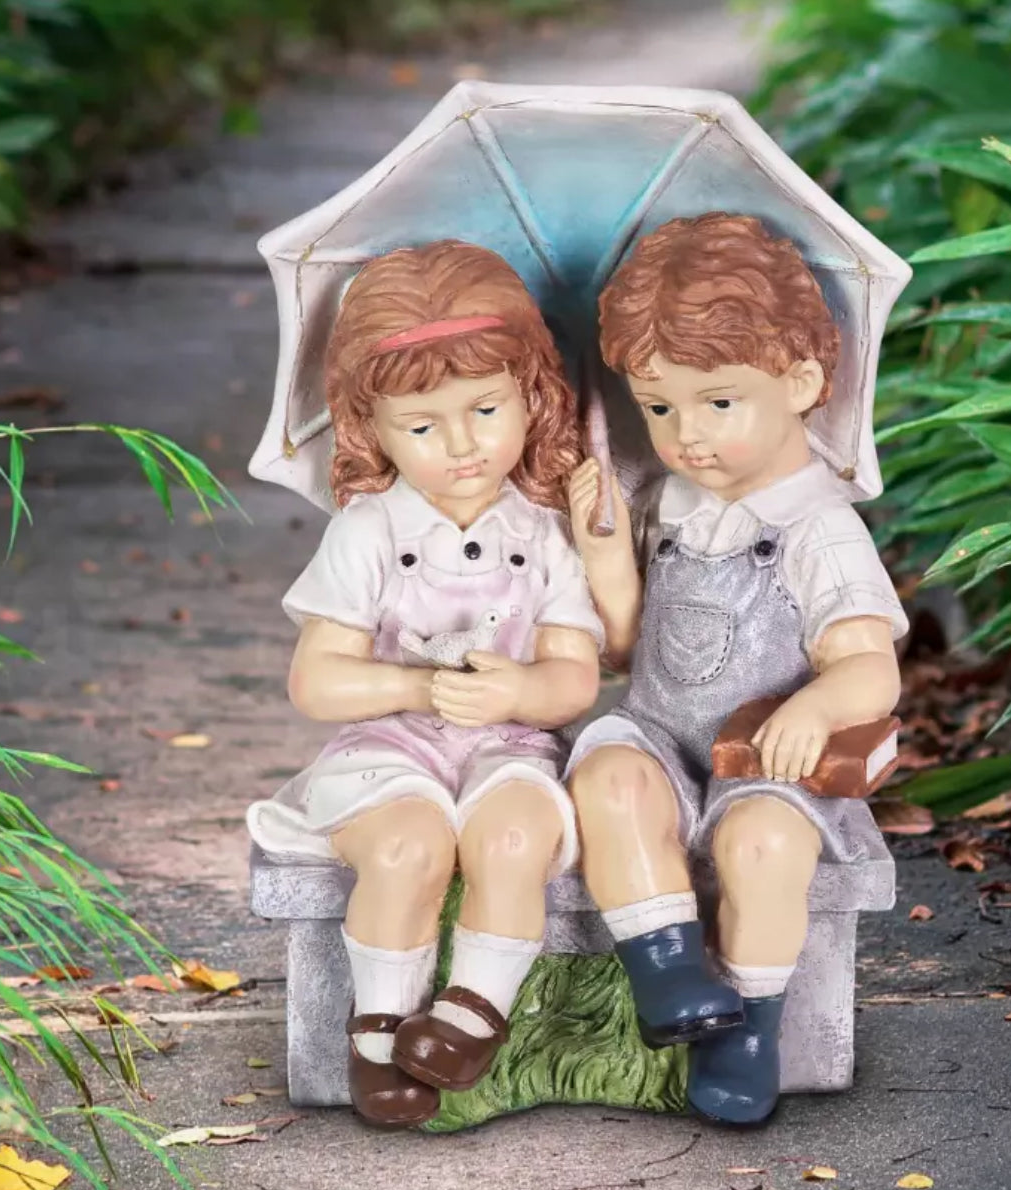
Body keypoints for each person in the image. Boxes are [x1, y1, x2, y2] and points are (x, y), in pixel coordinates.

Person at [247, 241, 602, 1129]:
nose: (460, 445)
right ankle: (378, 1036)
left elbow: (575, 678)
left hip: (509, 744)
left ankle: (470, 1015)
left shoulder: (547, 532)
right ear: (371, 427)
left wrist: (521, 692)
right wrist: (412, 687)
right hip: (390, 746)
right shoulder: (367, 532)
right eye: (421, 425)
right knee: (407, 846)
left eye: (485, 408)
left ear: (533, 395)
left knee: (516, 835)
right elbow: (318, 682)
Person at [565, 212, 907, 1125]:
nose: (686, 435)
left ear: (799, 382)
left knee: (763, 846)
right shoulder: (669, 501)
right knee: (606, 776)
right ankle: (668, 960)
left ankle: (749, 1023)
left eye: (719, 401)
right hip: (660, 737)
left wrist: (825, 702)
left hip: (768, 768)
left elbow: (872, 665)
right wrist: (603, 554)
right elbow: (631, 649)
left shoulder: (817, 528)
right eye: (659, 405)